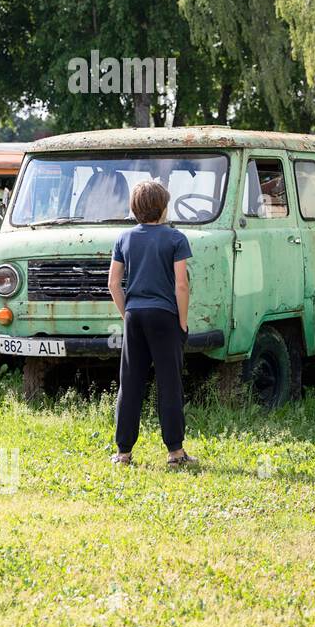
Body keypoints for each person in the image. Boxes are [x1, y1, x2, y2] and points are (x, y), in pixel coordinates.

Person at [107, 180, 197, 467]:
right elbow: (181, 285)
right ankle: (175, 453)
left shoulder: (124, 239)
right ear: (163, 207)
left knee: (130, 383)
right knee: (169, 382)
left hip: (135, 314)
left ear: (134, 209)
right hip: (164, 316)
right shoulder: (175, 239)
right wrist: (182, 322)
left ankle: (123, 453)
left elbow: (113, 283)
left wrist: (127, 314)